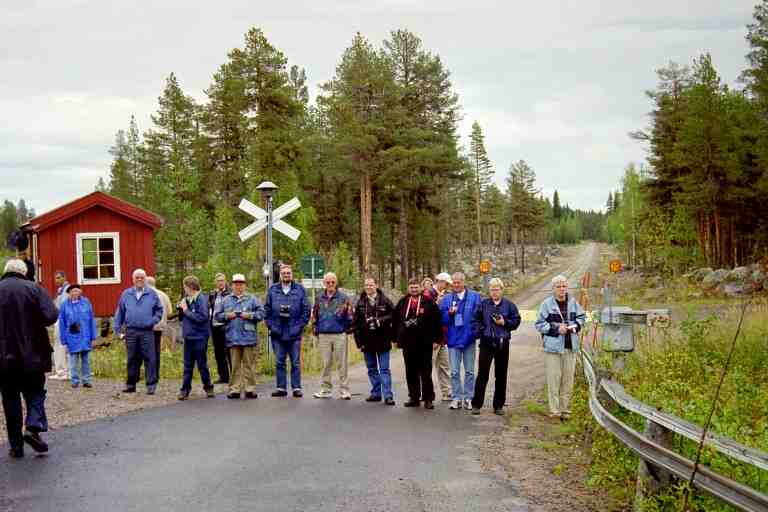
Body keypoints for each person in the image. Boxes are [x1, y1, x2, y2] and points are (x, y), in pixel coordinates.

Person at [0, 258, 58, 458]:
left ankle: (16, 446)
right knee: (35, 392)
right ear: (23, 272)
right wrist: (34, 320)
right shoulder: (34, 288)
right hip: (33, 352)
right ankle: (33, 426)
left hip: (3, 357)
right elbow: (51, 314)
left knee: (10, 400)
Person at [535, 275, 586, 420]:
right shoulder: (546, 304)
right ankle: (555, 411)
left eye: (564, 286)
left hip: (571, 347)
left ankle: (566, 410)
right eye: (558, 286)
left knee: (568, 380)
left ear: (567, 287)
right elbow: (539, 324)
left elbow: (582, 318)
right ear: (553, 289)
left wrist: (575, 326)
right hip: (553, 349)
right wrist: (557, 329)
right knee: (554, 379)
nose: (562, 289)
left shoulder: (573, 303)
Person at [470, 278, 521, 416]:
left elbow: (516, 321)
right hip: (487, 342)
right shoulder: (484, 304)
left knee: (501, 375)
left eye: (496, 289)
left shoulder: (509, 305)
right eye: (492, 289)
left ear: (501, 290)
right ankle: (476, 404)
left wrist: (505, 322)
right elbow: (475, 320)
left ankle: (498, 405)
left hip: (503, 343)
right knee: (482, 374)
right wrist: (481, 331)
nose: (494, 292)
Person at [394, 278, 442, 409]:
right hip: (408, 343)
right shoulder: (403, 302)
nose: (414, 289)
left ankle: (428, 398)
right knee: (411, 371)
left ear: (421, 288)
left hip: (425, 342)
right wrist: (396, 339)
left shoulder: (428, 302)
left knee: (426, 372)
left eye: (416, 287)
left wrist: (437, 340)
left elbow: (437, 321)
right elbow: (396, 321)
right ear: (408, 288)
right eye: (411, 287)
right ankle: (414, 397)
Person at [113, 269, 163, 395]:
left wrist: (153, 321)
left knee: (149, 358)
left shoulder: (151, 294)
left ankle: (151, 385)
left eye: (142, 277)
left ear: (145, 279)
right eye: (137, 278)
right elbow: (120, 313)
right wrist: (117, 330)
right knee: (132, 359)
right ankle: (131, 384)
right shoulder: (126, 294)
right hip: (131, 331)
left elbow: (159, 310)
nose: (140, 280)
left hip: (147, 331)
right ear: (133, 279)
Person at [215, 274, 265, 399]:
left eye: (241, 284)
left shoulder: (252, 299)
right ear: (232, 285)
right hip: (232, 337)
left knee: (249, 365)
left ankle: (250, 389)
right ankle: (234, 390)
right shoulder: (226, 300)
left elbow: (261, 314)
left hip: (249, 337)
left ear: (245, 285)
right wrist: (227, 316)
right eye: (236, 284)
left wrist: (250, 315)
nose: (238, 286)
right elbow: (217, 316)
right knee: (235, 366)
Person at [264, 264, 310, 398]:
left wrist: (300, 326)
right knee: (279, 361)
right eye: (284, 273)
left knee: (295, 362)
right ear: (280, 275)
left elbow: (306, 310)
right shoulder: (272, 289)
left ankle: (296, 388)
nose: (286, 275)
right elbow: (266, 310)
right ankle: (281, 388)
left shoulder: (300, 289)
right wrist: (271, 326)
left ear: (292, 274)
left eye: (288, 273)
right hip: (277, 332)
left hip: (294, 332)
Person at [440, 272, 482, 410]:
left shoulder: (475, 297)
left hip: (469, 339)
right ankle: (457, 398)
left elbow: (479, 317)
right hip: (453, 340)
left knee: (470, 371)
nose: (456, 285)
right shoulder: (446, 299)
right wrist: (449, 314)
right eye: (454, 282)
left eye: (459, 282)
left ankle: (469, 397)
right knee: (454, 372)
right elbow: (442, 320)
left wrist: (475, 334)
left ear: (464, 282)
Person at [353, 277, 396, 405]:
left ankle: (388, 395)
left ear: (376, 285)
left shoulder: (385, 300)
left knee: (384, 369)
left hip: (383, 340)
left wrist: (380, 321)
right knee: (371, 368)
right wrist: (358, 342)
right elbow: (356, 324)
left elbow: (394, 315)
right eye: (366, 285)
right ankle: (376, 393)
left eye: (371, 285)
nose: (369, 287)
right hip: (367, 341)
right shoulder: (360, 302)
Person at [312, 272, 354, 400]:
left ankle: (344, 390)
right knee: (326, 364)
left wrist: (347, 329)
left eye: (333, 282)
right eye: (328, 282)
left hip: (339, 334)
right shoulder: (319, 297)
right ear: (324, 283)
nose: (330, 284)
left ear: (336, 283)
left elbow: (350, 315)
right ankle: (325, 389)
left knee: (342, 364)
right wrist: (315, 330)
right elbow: (315, 315)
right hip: (323, 334)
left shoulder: (343, 298)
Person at [177, 276, 215, 400]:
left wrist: (186, 310)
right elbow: (183, 318)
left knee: (201, 364)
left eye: (185, 287)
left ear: (191, 287)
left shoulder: (201, 300)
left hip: (199, 337)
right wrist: (181, 310)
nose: (184, 289)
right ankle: (185, 390)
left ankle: (208, 387)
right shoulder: (187, 299)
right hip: (189, 337)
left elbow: (202, 318)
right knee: (187, 365)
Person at [58, 284, 97, 389]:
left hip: (85, 335)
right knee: (73, 359)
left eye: (77, 291)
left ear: (80, 292)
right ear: (69, 293)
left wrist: (93, 337)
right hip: (72, 336)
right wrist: (63, 339)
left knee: (86, 359)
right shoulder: (64, 305)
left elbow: (91, 319)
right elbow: (62, 323)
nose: (75, 293)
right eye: (73, 291)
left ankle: (86, 380)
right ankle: (75, 380)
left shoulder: (86, 302)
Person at [146, 276, 172, 385]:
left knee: (147, 352)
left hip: (148, 327)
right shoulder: (163, 295)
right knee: (156, 352)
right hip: (160, 328)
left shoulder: (146, 295)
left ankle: (149, 376)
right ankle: (156, 375)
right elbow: (170, 312)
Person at [432, 272, 453, 401]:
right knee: (427, 366)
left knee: (444, 366)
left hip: (443, 338)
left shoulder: (444, 295)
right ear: (439, 281)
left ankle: (447, 392)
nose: (447, 286)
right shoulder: (428, 294)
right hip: (433, 338)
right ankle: (426, 393)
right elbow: (428, 317)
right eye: (446, 283)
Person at [208, 273, 231, 384]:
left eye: (222, 280)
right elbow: (210, 309)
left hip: (226, 326)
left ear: (225, 281)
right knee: (218, 352)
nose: (220, 282)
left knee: (230, 351)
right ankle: (223, 376)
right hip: (214, 326)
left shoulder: (230, 293)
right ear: (215, 282)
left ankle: (234, 376)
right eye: (218, 281)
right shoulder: (212, 294)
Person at [49, 270, 70, 380]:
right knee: (58, 345)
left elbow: (64, 306)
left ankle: (63, 371)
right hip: (58, 319)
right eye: (55, 278)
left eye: (58, 278)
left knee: (62, 345)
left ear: (64, 278)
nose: (56, 280)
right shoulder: (60, 291)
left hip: (63, 320)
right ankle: (61, 370)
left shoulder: (67, 290)